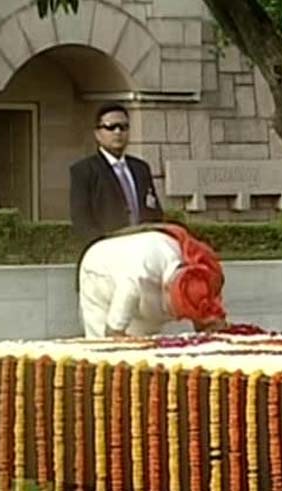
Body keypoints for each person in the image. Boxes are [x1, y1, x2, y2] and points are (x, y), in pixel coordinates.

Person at [78, 223, 227, 338]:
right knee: (102, 349)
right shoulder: (141, 272)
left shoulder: (201, 276)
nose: (176, 318)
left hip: (144, 290)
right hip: (99, 271)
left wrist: (208, 322)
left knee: (144, 352)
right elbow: (113, 331)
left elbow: (207, 310)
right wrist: (116, 332)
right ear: (167, 287)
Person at [70, 102, 163, 243]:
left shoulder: (141, 168)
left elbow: (154, 210)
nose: (118, 132)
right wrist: (103, 246)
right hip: (108, 251)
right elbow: (82, 219)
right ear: (97, 134)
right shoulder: (84, 170)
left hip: (142, 249)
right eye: (111, 127)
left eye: (123, 127)